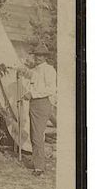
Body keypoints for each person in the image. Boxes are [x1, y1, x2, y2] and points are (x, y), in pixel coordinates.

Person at [22, 43, 57, 176]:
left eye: (40, 55)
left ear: (45, 57)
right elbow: (32, 85)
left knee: (37, 136)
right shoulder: (35, 70)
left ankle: (39, 168)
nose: (38, 57)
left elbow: (51, 89)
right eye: (36, 55)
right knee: (33, 135)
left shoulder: (49, 70)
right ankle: (37, 162)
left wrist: (33, 94)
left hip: (42, 104)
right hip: (34, 104)